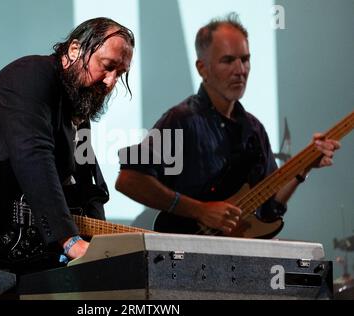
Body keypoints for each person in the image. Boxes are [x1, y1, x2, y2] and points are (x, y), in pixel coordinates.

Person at [115, 13, 340, 236]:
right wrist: (200, 211)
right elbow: (129, 179)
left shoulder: (254, 129)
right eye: (228, 60)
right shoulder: (180, 119)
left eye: (245, 59)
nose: (240, 70)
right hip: (185, 256)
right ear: (202, 68)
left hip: (237, 259)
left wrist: (303, 169)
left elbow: (268, 208)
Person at [0, 17, 134, 270]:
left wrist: (104, 245)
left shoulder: (77, 106)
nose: (110, 82)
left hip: (28, 253)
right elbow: (33, 155)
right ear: (75, 50)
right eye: (107, 66)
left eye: (120, 74)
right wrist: (68, 240)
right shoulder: (30, 74)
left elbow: (87, 185)